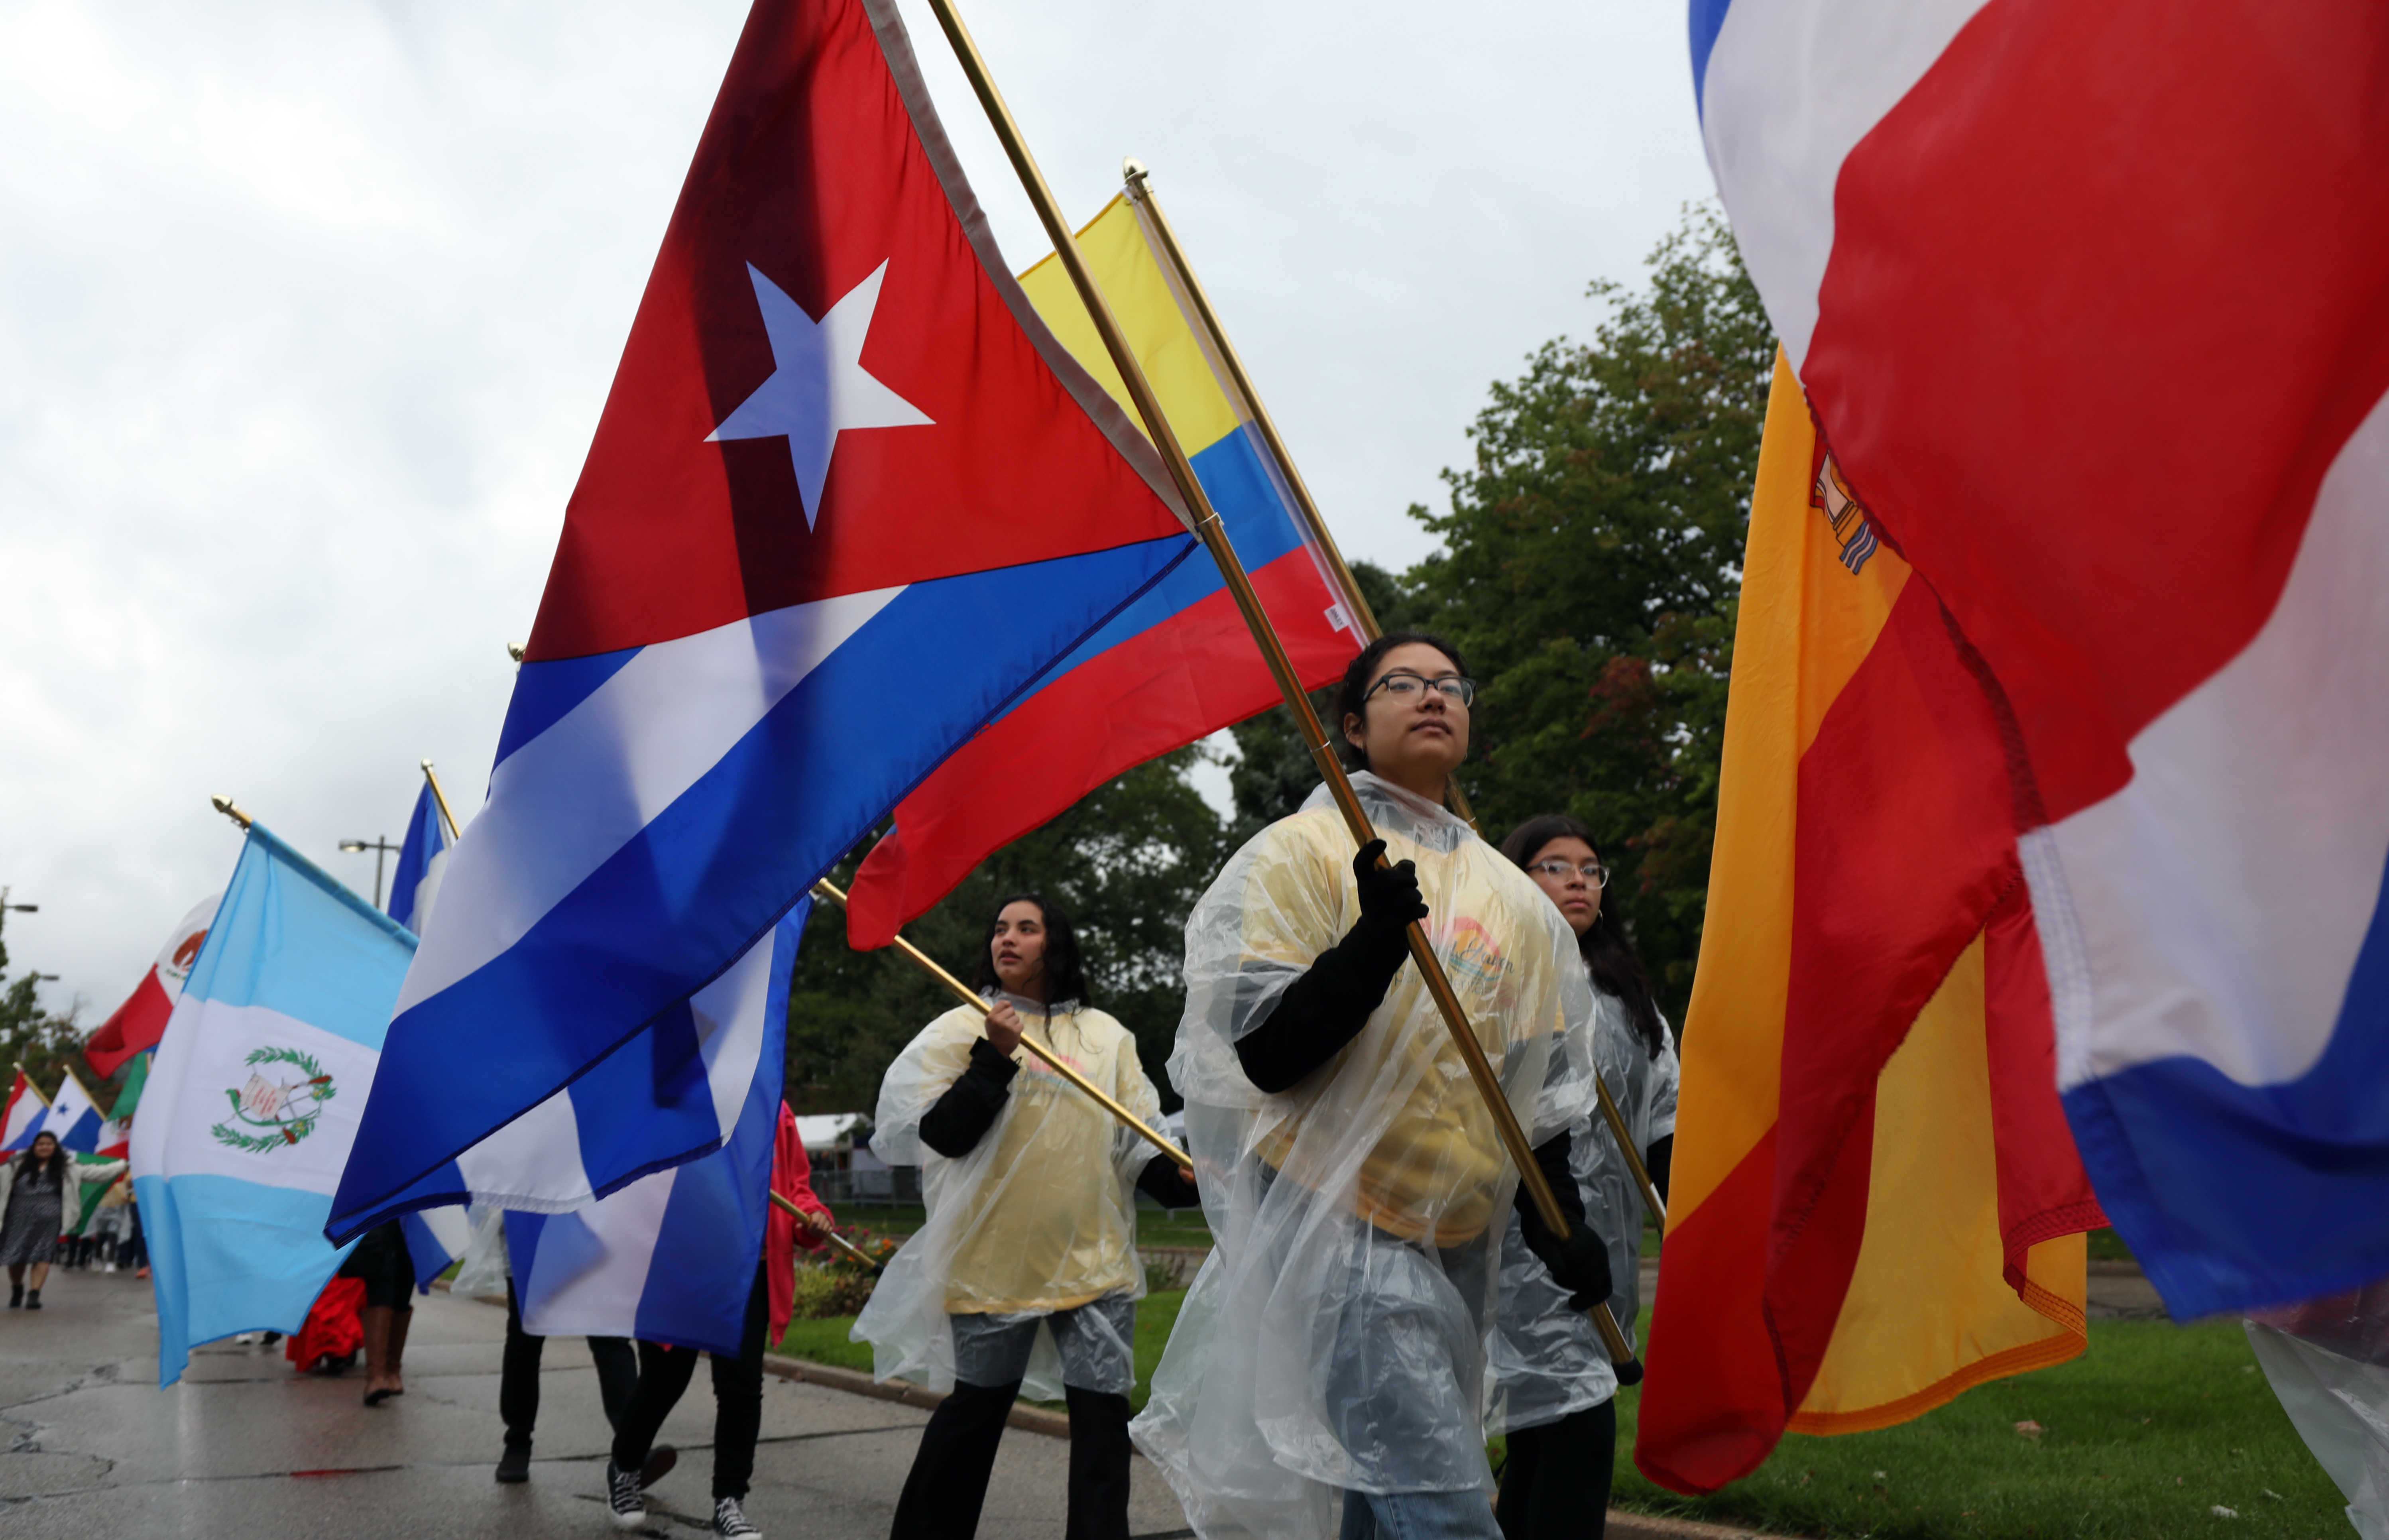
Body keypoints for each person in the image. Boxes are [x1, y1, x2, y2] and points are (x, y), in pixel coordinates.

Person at [1132, 631, 1606, 1540]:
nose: (1433, 695)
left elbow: (1532, 1102)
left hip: (1457, 1239)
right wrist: (1370, 945)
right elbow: (1267, 1053)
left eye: (1450, 684)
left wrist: (1564, 1225)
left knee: (1378, 1486)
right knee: (1439, 1501)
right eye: (1403, 683)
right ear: (1351, 724)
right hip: (1334, 1226)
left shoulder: (1515, 900)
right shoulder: (1301, 853)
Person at [861, 893, 1200, 1540]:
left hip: (1095, 1266)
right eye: (999, 929)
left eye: (1026, 927)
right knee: (973, 1418)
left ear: (1057, 943)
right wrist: (993, 1054)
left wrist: (1178, 1175)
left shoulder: (1107, 1037)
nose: (1006, 938)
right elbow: (941, 1134)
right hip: (992, 1265)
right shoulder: (963, 1024)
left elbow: (1137, 1144)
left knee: (1102, 1429)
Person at [1486, 815, 1679, 1540]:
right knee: (1578, 1432)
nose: (1577, 878)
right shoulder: (1501, 979)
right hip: (1530, 1253)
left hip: (1610, 1256)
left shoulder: (1631, 999)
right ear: (1514, 881)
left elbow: (1665, 1112)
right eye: (1553, 865)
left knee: (1540, 1440)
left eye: (1590, 868)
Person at [604, 1102, 833, 1540]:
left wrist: (812, 1217)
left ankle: (730, 1502)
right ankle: (626, 1466)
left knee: (741, 1388)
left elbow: (796, 1187)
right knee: (664, 1379)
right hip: (681, 1266)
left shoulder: (775, 1106)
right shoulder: (680, 1093)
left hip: (750, 1272)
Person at [1, 1131, 128, 1310]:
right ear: (34, 1147)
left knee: (42, 1255)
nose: (44, 1147)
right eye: (41, 1144)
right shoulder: (15, 1166)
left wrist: (124, 1165)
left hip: (49, 1220)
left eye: (49, 1144)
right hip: (17, 1218)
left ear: (56, 1147)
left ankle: (34, 1295)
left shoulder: (68, 1167)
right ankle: (17, 1288)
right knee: (16, 1256)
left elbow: (98, 1173)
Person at [338, 1219, 416, 1405]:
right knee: (382, 1272)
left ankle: (389, 1372)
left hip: (410, 1214)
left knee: (405, 1273)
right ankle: (379, 1375)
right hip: (381, 1212)